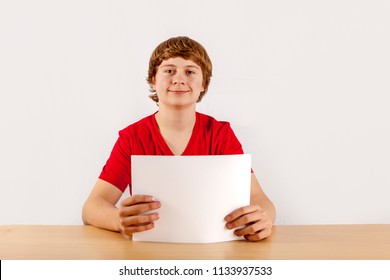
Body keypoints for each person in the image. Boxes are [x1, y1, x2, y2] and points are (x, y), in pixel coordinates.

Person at [82, 36, 276, 241]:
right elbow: (92, 207)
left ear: (204, 84)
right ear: (153, 81)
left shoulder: (220, 134)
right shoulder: (132, 137)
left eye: (190, 71)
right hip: (149, 252)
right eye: (169, 70)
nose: (179, 79)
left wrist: (265, 219)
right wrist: (117, 220)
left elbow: (259, 199)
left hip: (212, 252)